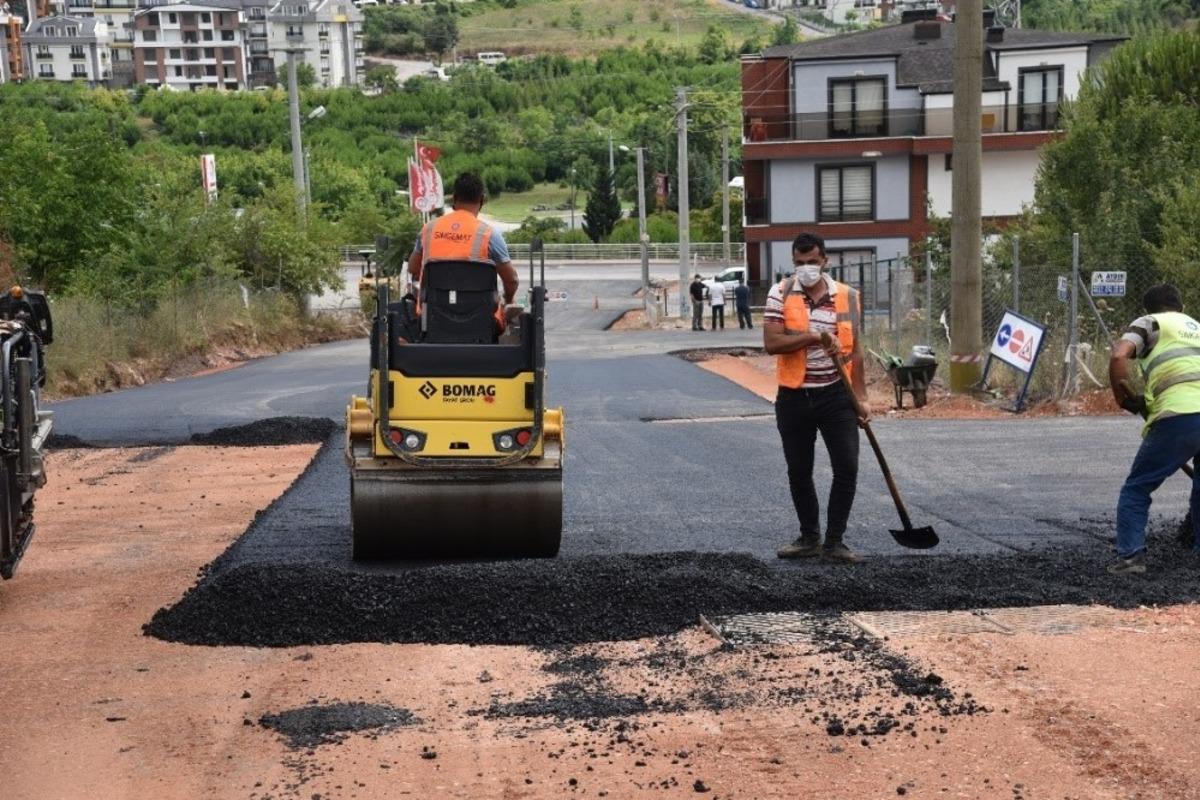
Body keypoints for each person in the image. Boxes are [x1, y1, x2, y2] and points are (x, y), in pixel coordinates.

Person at [764, 232, 867, 563]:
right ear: (793, 262)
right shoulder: (779, 293)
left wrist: (861, 399)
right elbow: (772, 342)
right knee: (799, 470)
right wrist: (813, 337)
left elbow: (857, 352)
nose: (805, 269)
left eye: (812, 262)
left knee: (847, 467)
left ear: (825, 261)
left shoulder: (849, 297)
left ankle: (834, 543)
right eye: (799, 263)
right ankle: (809, 537)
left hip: (837, 395)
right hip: (794, 397)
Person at [1108, 283, 1200, 574]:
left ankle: (1131, 557)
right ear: (1181, 307)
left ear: (1149, 309)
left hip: (1178, 415)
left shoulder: (1151, 323)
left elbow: (1119, 356)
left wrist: (1123, 397)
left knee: (1137, 487)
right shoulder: (1196, 327)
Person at [409, 172, 519, 331]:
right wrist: (508, 299)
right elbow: (511, 280)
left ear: (454, 198)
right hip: (482, 323)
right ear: (482, 200)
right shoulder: (490, 235)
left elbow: (413, 268)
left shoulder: (429, 229)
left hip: (433, 320)